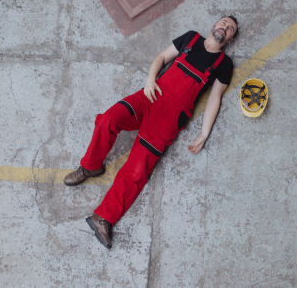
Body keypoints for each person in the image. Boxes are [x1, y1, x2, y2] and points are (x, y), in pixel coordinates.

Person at [64, 16, 238, 249]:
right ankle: (90, 166)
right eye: (223, 23)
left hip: (170, 117)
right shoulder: (191, 38)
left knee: (138, 167)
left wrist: (204, 134)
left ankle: (103, 218)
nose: (224, 28)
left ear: (230, 39)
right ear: (213, 25)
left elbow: (214, 99)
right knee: (108, 120)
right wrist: (150, 80)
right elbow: (162, 57)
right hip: (151, 95)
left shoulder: (224, 65)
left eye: (230, 29)